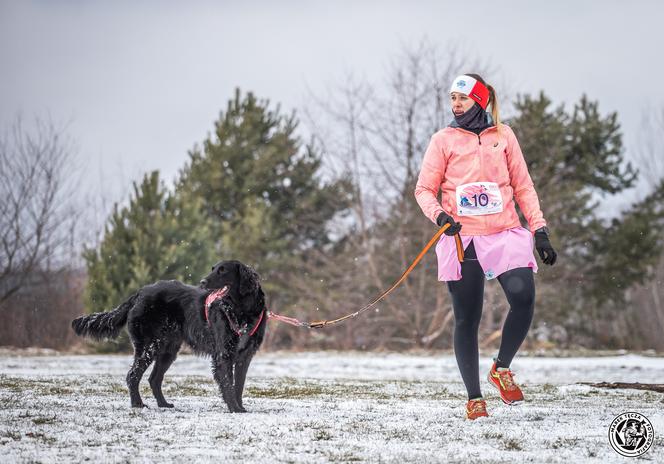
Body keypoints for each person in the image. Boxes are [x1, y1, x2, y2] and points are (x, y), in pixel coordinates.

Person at [414, 73, 557, 420]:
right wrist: (440, 217)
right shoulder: (443, 140)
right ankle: (474, 397)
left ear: (479, 99)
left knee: (523, 298)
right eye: (452, 98)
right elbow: (423, 190)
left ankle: (501, 368)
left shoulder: (503, 135)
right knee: (467, 317)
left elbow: (523, 186)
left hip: (505, 232)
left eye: (462, 98)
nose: (456, 104)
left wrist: (540, 230)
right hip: (463, 238)